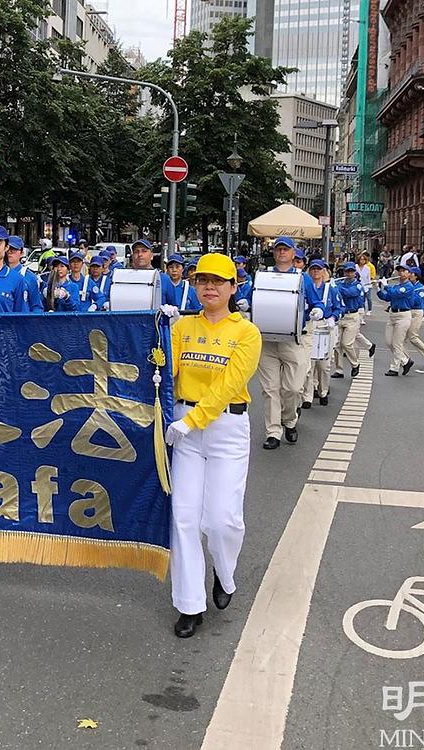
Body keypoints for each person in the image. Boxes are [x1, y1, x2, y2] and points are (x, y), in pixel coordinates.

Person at [164, 252, 261, 638]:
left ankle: (224, 572)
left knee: (222, 520)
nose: (209, 287)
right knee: (184, 517)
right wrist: (155, 334)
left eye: (218, 281)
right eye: (202, 280)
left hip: (225, 429)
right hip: (183, 428)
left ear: (233, 287)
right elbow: (162, 369)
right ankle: (190, 604)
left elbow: (228, 386)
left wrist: (191, 421)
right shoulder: (183, 326)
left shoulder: (246, 332)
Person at [256, 237, 325, 450]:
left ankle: (290, 419)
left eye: (286, 249)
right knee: (270, 389)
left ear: (293, 253)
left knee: (293, 388)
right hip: (267, 339)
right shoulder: (264, 274)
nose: (282, 253)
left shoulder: (302, 278)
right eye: (278, 249)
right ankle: (273, 432)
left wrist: (318, 310)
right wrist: (245, 303)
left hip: (293, 338)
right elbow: (252, 297)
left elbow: (317, 301)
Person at [303, 260, 340, 406]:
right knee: (309, 364)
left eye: (319, 269)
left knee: (324, 365)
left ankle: (323, 391)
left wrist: (333, 318)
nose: (316, 272)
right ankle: (308, 396)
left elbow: (339, 308)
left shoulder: (331, 289)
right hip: (310, 324)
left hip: (325, 325)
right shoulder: (306, 287)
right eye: (313, 269)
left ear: (324, 271)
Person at [377, 263, 417, 376]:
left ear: (409, 274)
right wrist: (379, 289)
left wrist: (386, 286)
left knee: (397, 343)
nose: (401, 273)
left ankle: (394, 368)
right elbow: (387, 297)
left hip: (403, 315)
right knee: (389, 342)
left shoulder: (409, 286)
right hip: (393, 314)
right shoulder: (396, 286)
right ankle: (405, 361)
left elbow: (396, 294)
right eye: (400, 271)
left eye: (404, 271)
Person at [334, 262, 367, 377]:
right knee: (336, 344)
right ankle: (339, 370)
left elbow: (350, 293)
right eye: (347, 271)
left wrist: (337, 287)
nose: (348, 273)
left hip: (352, 316)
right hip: (341, 316)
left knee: (346, 343)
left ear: (354, 273)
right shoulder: (340, 283)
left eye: (351, 271)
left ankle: (355, 364)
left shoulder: (357, 285)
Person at [6, 235, 44, 312]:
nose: (10, 253)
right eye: (7, 250)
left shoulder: (30, 277)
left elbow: (36, 306)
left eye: (14, 250)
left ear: (21, 253)